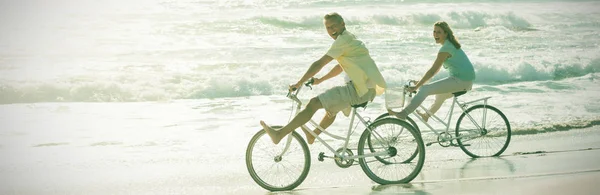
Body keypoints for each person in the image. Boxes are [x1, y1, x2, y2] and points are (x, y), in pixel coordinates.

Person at [260, 12, 387, 145]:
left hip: (358, 90)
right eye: (328, 28)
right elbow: (341, 66)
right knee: (331, 109)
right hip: (367, 89)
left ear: (342, 24)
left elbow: (319, 64)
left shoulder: (342, 41)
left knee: (313, 103)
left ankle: (279, 134)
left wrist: (298, 83)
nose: (331, 30)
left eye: (334, 26)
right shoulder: (349, 38)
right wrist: (320, 80)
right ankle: (312, 135)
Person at [389, 21, 475, 122]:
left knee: (425, 89)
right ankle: (427, 115)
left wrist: (417, 86)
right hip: (465, 80)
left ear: (445, 33)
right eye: (434, 31)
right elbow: (436, 71)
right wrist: (421, 81)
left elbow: (433, 71)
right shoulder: (449, 44)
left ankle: (404, 113)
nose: (435, 34)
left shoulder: (446, 49)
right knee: (440, 95)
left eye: (439, 32)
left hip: (461, 81)